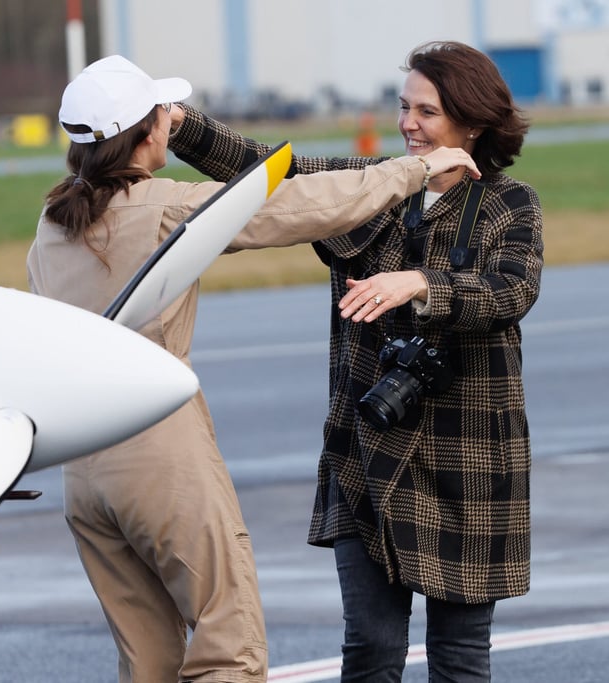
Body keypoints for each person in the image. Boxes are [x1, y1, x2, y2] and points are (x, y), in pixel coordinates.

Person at [26, 54, 481, 683]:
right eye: (160, 112)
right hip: (156, 454)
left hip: (83, 470)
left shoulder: (50, 227)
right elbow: (296, 204)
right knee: (228, 648)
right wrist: (414, 170)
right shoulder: (165, 208)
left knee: (148, 661)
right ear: (146, 132)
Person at [168, 40, 544, 682]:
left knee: (459, 658)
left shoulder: (511, 204)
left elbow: (514, 290)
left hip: (469, 459)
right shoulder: (372, 187)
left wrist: (424, 284)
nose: (407, 124)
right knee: (370, 649)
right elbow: (267, 169)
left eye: (427, 111)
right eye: (404, 107)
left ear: (472, 124)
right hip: (367, 448)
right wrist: (183, 125)